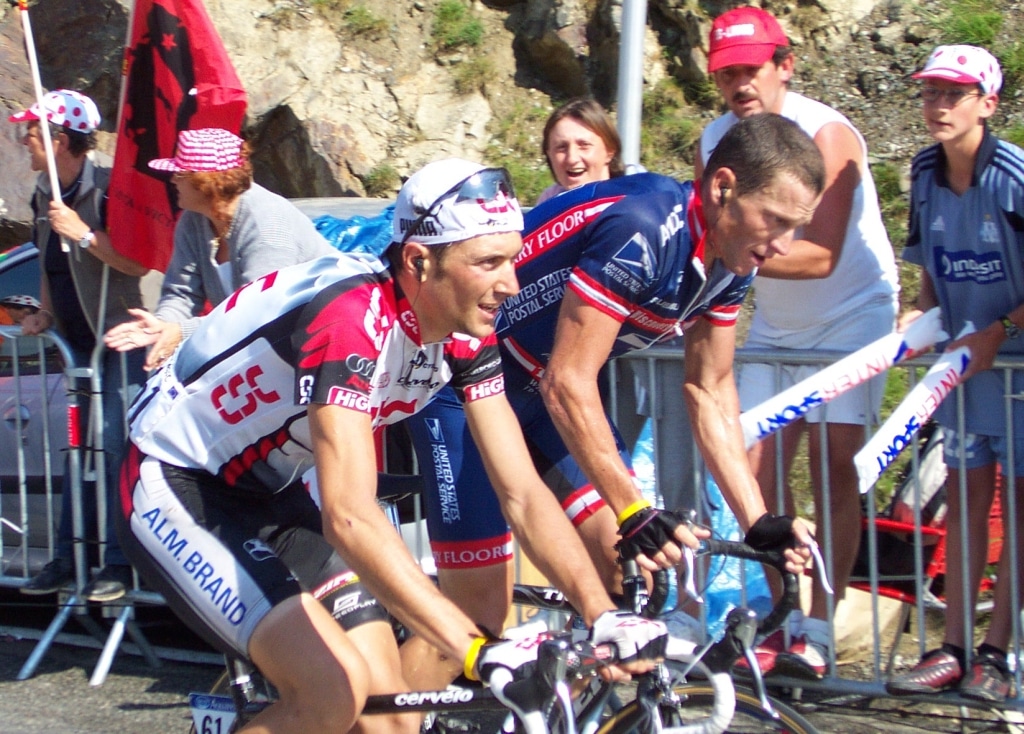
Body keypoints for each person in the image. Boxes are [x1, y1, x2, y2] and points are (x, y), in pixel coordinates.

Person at [116, 159, 669, 733]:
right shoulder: (350, 319)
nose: (511, 283)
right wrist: (476, 651)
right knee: (332, 693)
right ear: (418, 262)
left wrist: (601, 613)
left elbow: (522, 492)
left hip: (273, 494)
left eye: (513, 258)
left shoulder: (462, 332)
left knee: (394, 718)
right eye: (488, 263)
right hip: (179, 484)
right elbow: (350, 516)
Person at [404, 114, 820, 642]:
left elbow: (709, 389)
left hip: (538, 390)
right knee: (477, 614)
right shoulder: (645, 229)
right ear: (723, 189)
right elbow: (569, 382)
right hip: (461, 385)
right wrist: (634, 510)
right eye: (777, 220)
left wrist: (757, 522)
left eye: (796, 227)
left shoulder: (735, 260)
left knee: (632, 576)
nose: (785, 244)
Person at [693, 6, 900, 680]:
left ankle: (818, 625)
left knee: (835, 462)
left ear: (784, 67)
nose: (739, 85)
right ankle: (776, 615)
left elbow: (818, 255)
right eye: (726, 73)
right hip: (778, 321)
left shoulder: (828, 132)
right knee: (752, 464)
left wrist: (727, 248)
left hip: (853, 311)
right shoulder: (714, 141)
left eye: (751, 70)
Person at [885, 45, 1023, 703]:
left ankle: (998, 652)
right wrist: (916, 322)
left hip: (1017, 369)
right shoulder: (924, 172)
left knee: (1018, 516)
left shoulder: (1014, 176)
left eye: (954, 93)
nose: (938, 104)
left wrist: (1002, 332)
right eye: (931, 92)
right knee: (964, 508)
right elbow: (931, 273)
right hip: (965, 374)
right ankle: (954, 648)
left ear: (986, 103)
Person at [10, 89, 149, 603]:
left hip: (122, 338)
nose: (24, 141)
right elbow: (51, 262)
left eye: (31, 132)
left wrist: (86, 234)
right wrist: (45, 312)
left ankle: (117, 564)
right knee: (76, 450)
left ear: (60, 139)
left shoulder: (112, 188)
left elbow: (139, 263)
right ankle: (70, 558)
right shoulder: (43, 192)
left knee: (114, 446)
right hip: (76, 345)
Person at [103, 128, 335, 370]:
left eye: (179, 173)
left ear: (206, 183)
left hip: (323, 346)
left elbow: (259, 314)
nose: (171, 179)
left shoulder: (267, 226)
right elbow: (181, 294)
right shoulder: (193, 220)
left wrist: (182, 332)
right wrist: (161, 328)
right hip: (270, 351)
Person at [536, 97, 625, 204]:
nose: (572, 158)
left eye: (584, 145)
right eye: (561, 147)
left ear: (610, 151)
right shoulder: (548, 203)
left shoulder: (633, 202)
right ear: (549, 154)